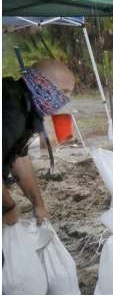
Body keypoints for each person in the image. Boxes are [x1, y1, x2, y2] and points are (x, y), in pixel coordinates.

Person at [3, 59, 75, 227]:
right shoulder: (11, 112)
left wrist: (38, 204)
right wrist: (7, 207)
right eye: (63, 92)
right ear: (40, 83)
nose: (65, 100)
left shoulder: (24, 105)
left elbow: (19, 158)